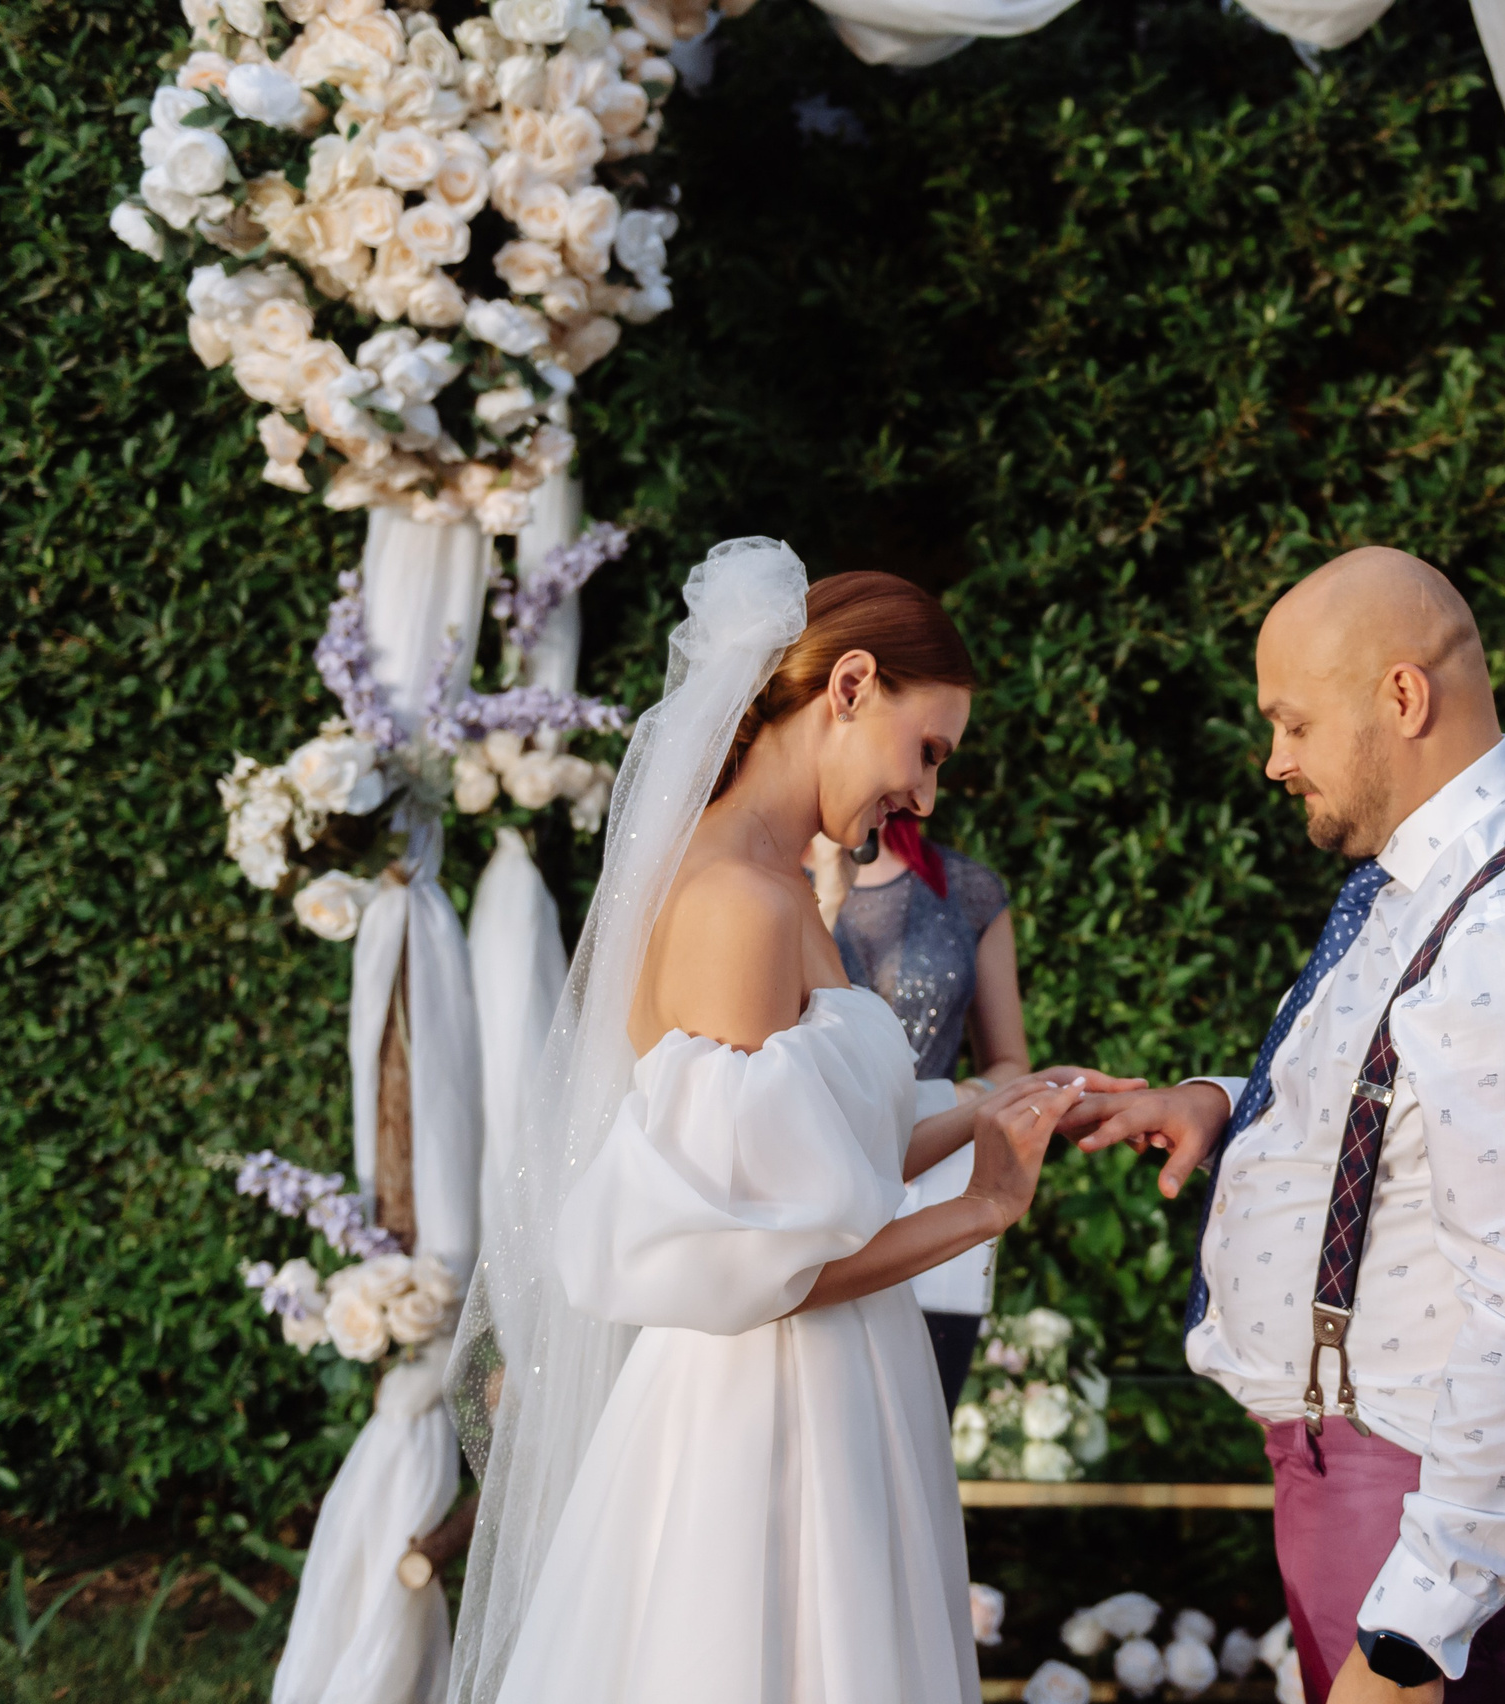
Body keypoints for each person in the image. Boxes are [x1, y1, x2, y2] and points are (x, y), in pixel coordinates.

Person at [443, 545, 1128, 1704]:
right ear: (849, 686)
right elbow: (763, 1271)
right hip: (766, 1421)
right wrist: (986, 1206)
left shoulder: (768, 880)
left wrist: (992, 1113)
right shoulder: (734, 906)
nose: (924, 795)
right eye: (927, 751)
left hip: (841, 1385)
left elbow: (810, 1176)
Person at [1060, 548, 1505, 1704]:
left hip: (1430, 1507)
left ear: (1401, 698)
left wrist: (1410, 1636)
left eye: (1291, 722)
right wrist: (1216, 1103)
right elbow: (1397, 1093)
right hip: (1374, 1476)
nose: (1273, 760)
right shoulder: (1434, 882)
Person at [824, 812, 1029, 1410]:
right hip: (819, 1191)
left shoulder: (966, 888)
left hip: (931, 1190)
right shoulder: (767, 881)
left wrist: (957, 1101)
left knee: (921, 1421)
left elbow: (1011, 1060)